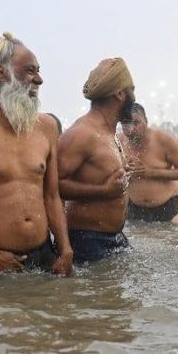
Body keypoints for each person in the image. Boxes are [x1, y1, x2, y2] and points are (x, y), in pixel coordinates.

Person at [0, 32, 72, 275]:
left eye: (38, 70)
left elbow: (51, 196)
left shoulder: (47, 127)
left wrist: (66, 249)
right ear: (1, 72)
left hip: (45, 255)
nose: (39, 80)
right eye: (29, 71)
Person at [57, 57, 136, 263]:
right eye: (132, 90)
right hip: (86, 241)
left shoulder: (110, 133)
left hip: (113, 237)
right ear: (120, 94)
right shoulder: (82, 133)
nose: (134, 97)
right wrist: (103, 191)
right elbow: (52, 186)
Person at [121, 104, 178, 223]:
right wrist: (122, 170)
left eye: (136, 123)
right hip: (135, 208)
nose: (131, 128)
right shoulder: (119, 142)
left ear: (146, 121)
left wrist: (151, 172)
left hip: (167, 207)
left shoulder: (163, 140)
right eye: (126, 124)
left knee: (173, 238)